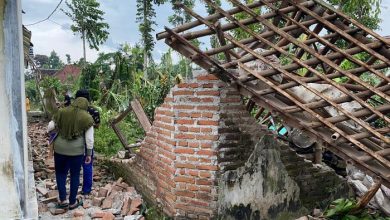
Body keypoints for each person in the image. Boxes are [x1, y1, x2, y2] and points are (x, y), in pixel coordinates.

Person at [48, 96, 94, 210]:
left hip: (59, 149)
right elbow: (89, 138)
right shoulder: (87, 117)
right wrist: (88, 154)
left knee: (60, 173)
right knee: (75, 175)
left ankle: (63, 199)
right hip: (77, 152)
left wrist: (54, 132)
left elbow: (50, 127)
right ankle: (72, 202)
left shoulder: (62, 111)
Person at [74, 89, 100, 195]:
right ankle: (86, 190)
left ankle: (73, 190)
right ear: (88, 98)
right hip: (87, 143)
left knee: (74, 167)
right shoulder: (94, 111)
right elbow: (97, 125)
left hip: (73, 142)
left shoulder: (71, 111)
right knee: (87, 165)